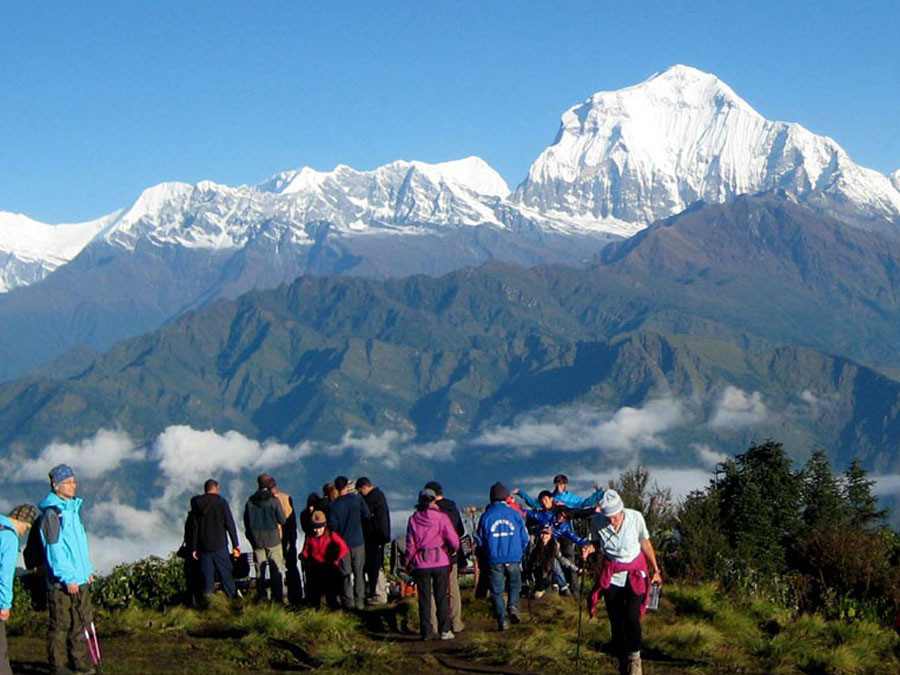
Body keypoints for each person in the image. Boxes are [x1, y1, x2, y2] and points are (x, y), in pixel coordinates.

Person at [582, 490, 663, 675]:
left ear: (621, 510)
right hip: (612, 574)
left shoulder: (635, 518)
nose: (612, 520)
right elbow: (597, 543)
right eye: (608, 517)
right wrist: (589, 549)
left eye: (615, 516)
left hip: (635, 572)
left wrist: (655, 570)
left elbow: (645, 543)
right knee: (616, 620)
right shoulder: (597, 521)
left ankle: (635, 659)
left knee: (632, 618)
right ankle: (621, 660)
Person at [39, 464, 96, 675]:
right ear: (57, 486)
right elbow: (55, 551)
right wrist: (67, 577)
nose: (74, 486)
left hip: (80, 579)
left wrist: (86, 571)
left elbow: (80, 547)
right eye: (69, 482)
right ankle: (59, 667)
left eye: (74, 481)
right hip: (61, 583)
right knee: (61, 624)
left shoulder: (72, 510)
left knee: (81, 622)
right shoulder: (53, 515)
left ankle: (79, 663)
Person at [405, 489, 460, 641]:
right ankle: (445, 630)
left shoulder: (413, 519)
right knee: (441, 596)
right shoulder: (442, 518)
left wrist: (407, 562)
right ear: (434, 500)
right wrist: (454, 550)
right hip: (440, 560)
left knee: (424, 598)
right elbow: (454, 539)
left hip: (421, 562)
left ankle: (426, 631)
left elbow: (411, 545)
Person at [476, 482, 529, 631]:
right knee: (515, 586)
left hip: (494, 559)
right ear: (506, 497)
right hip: (513, 558)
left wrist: (487, 554)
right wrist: (519, 552)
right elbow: (525, 538)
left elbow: (480, 541)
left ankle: (502, 620)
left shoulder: (486, 516)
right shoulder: (515, 514)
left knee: (497, 591)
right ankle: (513, 607)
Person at [424, 481, 466, 634]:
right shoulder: (452, 508)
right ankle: (456, 622)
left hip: (431, 557)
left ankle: (433, 625)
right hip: (451, 555)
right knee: (452, 590)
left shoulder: (428, 511)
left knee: (434, 592)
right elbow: (460, 531)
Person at [0, 504, 37, 675]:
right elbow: (5, 574)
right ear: (20, 521)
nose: (25, 532)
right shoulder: (9, 537)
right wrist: (5, 604)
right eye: (27, 527)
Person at [190, 478, 241, 601]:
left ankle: (208, 604)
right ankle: (233, 602)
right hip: (219, 545)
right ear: (216, 488)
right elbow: (229, 523)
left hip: (203, 546)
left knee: (207, 578)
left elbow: (194, 527)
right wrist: (235, 544)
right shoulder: (221, 502)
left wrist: (194, 547)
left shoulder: (197, 504)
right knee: (226, 576)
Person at [328, 476, 372, 610]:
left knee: (345, 574)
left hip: (343, 545)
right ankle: (360, 602)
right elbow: (367, 515)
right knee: (359, 573)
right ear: (347, 486)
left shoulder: (334, 505)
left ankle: (348, 602)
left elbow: (332, 526)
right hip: (358, 541)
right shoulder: (357, 500)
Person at [244, 474, 287, 602]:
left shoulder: (250, 502)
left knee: (259, 572)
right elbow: (282, 519)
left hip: (257, 540)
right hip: (273, 539)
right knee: (276, 569)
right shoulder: (273, 501)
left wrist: (251, 537)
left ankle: (262, 598)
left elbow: (246, 522)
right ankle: (277, 599)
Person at [300, 510, 350, 610]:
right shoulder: (310, 537)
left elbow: (344, 548)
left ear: (325, 525)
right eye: (315, 527)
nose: (317, 530)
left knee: (331, 595)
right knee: (315, 596)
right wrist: (303, 556)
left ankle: (334, 612)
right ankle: (317, 612)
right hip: (315, 569)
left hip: (329, 568)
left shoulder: (331, 535)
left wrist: (336, 559)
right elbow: (306, 550)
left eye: (320, 527)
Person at [356, 477, 390, 605]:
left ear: (364, 488)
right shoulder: (379, 497)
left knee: (374, 566)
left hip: (374, 537)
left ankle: (378, 595)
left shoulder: (372, 499)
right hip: (379, 536)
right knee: (376, 565)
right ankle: (376, 593)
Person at [270, 478, 301, 605]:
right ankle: (296, 595)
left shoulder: (272, 501)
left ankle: (282, 596)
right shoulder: (286, 498)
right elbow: (291, 520)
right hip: (289, 537)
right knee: (291, 567)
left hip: (277, 538)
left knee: (278, 567)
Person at [526, 525, 580, 598]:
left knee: (555, 562)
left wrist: (576, 569)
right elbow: (530, 560)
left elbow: (562, 560)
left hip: (550, 571)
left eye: (547, 534)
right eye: (542, 533)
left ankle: (563, 586)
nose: (544, 536)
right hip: (538, 573)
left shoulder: (554, 547)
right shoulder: (535, 546)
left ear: (551, 536)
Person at [516, 474, 604, 510]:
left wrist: (599, 493)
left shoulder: (571, 498)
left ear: (565, 485)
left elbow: (585, 503)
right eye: (557, 484)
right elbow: (534, 504)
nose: (559, 486)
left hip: (566, 529)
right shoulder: (550, 498)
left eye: (561, 484)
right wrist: (521, 493)